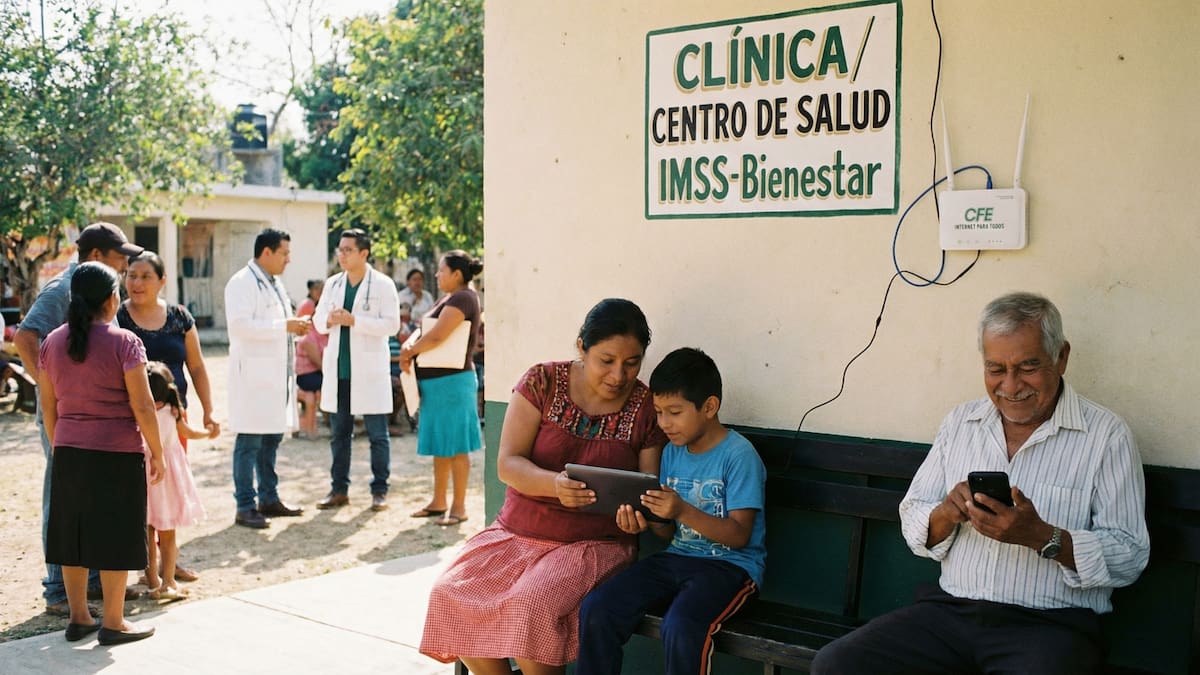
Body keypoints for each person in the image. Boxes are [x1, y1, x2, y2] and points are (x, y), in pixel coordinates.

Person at [811, 292, 1151, 675]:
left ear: (1062, 357)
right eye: (995, 368)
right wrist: (945, 515)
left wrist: (1041, 536)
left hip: (1050, 626)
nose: (1010, 385)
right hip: (949, 613)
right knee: (838, 664)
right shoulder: (961, 422)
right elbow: (913, 513)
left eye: (1028, 366)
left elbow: (1130, 554)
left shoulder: (1106, 436)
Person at [419, 298, 667, 674]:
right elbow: (508, 463)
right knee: (450, 594)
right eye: (607, 360)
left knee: (531, 605)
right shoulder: (542, 381)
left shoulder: (646, 407)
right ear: (582, 347)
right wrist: (555, 484)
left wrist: (641, 518)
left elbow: (649, 493)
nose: (619, 375)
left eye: (631, 363)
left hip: (593, 545)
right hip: (516, 533)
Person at [576, 347, 766, 675]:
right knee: (598, 607)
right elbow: (666, 531)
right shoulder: (672, 453)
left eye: (674, 412)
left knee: (681, 626)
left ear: (709, 407)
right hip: (676, 558)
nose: (664, 423)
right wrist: (646, 519)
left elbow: (739, 535)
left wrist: (681, 510)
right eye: (659, 412)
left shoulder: (739, 455)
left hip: (730, 568)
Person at [14, 222, 142, 617]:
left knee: (93, 499)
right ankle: (57, 589)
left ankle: (91, 583)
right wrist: (54, 385)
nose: (125, 265)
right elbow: (25, 337)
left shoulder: (96, 288)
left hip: (92, 419)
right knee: (67, 497)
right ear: (97, 256)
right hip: (66, 416)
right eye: (120, 257)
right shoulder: (62, 289)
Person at [37, 261, 165, 645]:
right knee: (115, 537)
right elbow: (143, 406)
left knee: (73, 538)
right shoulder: (124, 342)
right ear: (112, 299)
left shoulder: (52, 342)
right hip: (117, 453)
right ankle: (113, 622)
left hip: (70, 451)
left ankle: (79, 618)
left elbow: (49, 408)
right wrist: (157, 452)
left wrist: (63, 444)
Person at [118, 250, 218, 584]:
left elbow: (198, 365)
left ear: (162, 280)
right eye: (131, 275)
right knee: (141, 495)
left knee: (170, 491)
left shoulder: (179, 317)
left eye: (146, 276)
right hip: (131, 420)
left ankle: (169, 564)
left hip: (173, 418)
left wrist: (208, 410)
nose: (136, 282)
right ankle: (147, 566)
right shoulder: (118, 317)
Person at [224, 228, 312, 529]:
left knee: (272, 438)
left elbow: (277, 326)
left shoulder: (274, 283)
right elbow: (240, 326)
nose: (288, 259)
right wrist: (284, 325)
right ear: (267, 252)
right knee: (249, 440)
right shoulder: (241, 283)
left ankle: (269, 497)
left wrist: (291, 327)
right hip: (252, 376)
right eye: (284, 253)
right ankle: (245, 505)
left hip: (275, 376)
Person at [312, 229, 400, 511]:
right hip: (340, 371)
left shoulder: (383, 285)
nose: (342, 255)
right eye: (340, 250)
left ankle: (380, 490)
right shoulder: (333, 284)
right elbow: (316, 321)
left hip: (370, 370)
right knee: (339, 434)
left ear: (364, 253)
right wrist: (329, 318)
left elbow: (392, 325)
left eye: (348, 250)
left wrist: (355, 320)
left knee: (377, 433)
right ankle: (339, 489)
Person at [400, 251, 483, 527]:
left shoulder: (463, 298)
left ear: (456, 274)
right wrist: (409, 347)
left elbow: (437, 334)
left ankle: (458, 507)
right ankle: (439, 501)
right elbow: (427, 330)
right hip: (438, 384)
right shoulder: (449, 297)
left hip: (452, 383)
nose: (437, 275)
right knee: (441, 445)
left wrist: (411, 350)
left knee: (457, 445)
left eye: (441, 271)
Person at [143, 362, 214, 601]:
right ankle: (169, 582)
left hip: (145, 476)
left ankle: (152, 583)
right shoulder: (173, 412)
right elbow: (189, 433)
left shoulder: (138, 412)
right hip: (169, 479)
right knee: (168, 531)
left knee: (147, 532)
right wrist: (209, 433)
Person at [295, 325, 329, 439]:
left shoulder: (326, 336)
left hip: (318, 373)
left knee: (316, 394)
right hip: (306, 375)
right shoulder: (309, 337)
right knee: (332, 386)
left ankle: (311, 428)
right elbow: (319, 363)